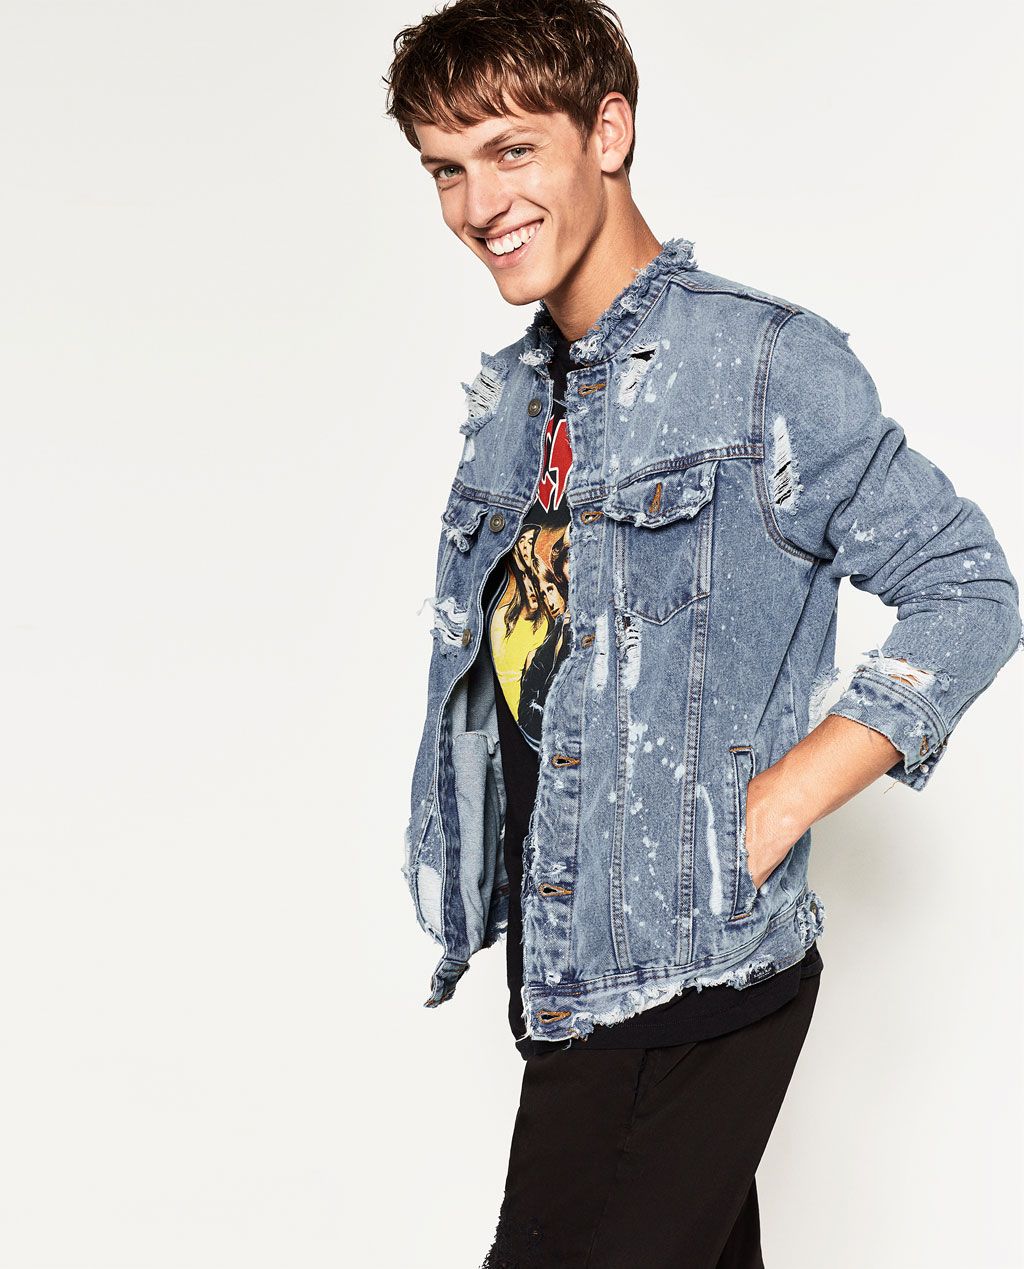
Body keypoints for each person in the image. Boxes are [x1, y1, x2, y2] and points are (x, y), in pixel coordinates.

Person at [383, 3, 1023, 1265]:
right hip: (563, 966)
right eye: (445, 170)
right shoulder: (512, 399)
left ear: (608, 132)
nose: (477, 205)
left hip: (687, 972)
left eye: (511, 151)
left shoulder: (762, 363)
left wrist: (779, 801)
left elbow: (968, 587)